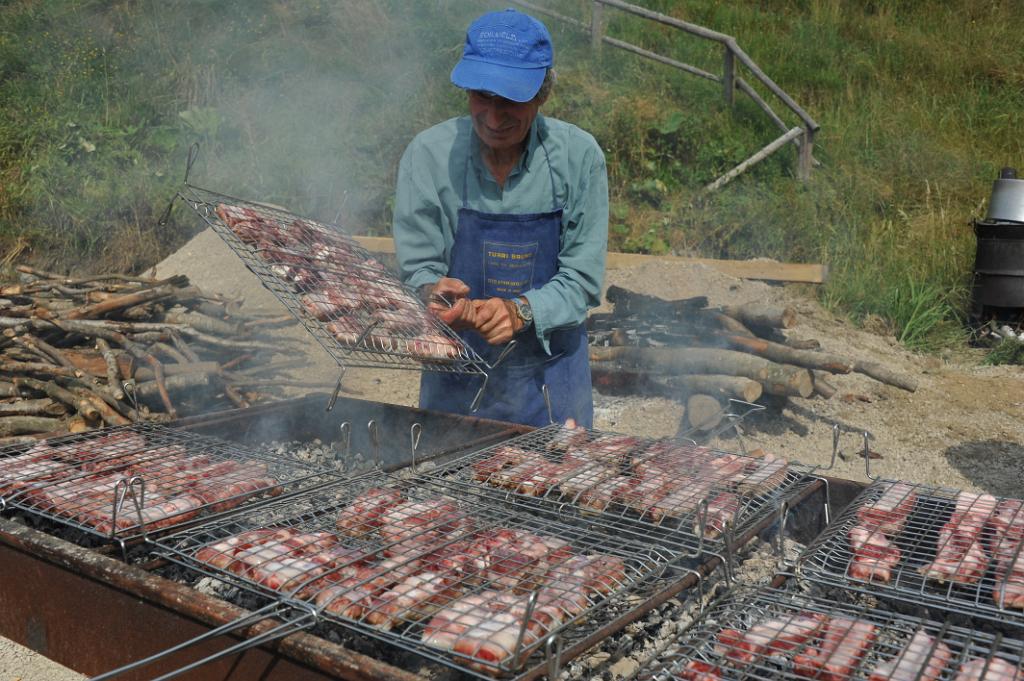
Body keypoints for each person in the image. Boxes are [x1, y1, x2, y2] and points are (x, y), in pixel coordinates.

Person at [392, 8, 608, 428]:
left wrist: (521, 311)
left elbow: (582, 280)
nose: (493, 118)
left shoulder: (580, 158)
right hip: (455, 381)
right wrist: (431, 291)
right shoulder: (429, 155)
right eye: (482, 97)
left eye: (510, 100)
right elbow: (417, 268)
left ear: (543, 94)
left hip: (551, 384)